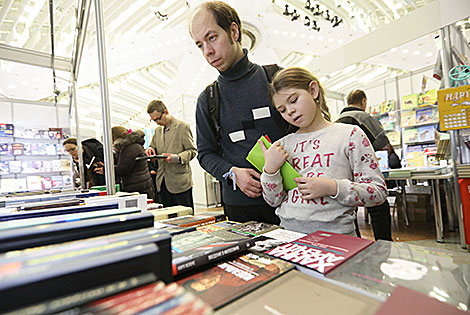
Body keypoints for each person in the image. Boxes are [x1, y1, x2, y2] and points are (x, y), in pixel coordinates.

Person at [190, 1, 289, 224]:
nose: (208, 51)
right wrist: (232, 172)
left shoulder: (275, 79)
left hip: (289, 200)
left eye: (212, 37)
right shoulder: (208, 100)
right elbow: (205, 154)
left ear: (234, 31)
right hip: (239, 207)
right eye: (200, 45)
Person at [259, 67, 388, 236]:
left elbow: (377, 192)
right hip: (289, 237)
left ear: (313, 90)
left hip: (337, 237)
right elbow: (273, 200)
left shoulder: (350, 135)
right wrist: (270, 170)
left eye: (294, 100)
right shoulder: (281, 146)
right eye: (282, 110)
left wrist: (333, 187)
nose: (289, 111)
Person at [336, 89, 396, 240]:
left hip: (343, 174)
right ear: (363, 101)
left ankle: (356, 243)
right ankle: (384, 246)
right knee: (379, 207)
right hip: (364, 173)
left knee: (350, 210)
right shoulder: (365, 117)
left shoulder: (336, 123)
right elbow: (384, 145)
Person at [145, 100, 196, 208]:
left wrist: (177, 158)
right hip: (162, 183)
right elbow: (153, 146)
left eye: (158, 118)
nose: (157, 122)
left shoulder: (182, 127)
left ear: (166, 111)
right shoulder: (158, 131)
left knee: (185, 219)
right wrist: (150, 149)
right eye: (154, 120)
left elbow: (192, 151)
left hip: (180, 183)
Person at [112, 126, 156, 201]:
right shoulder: (128, 147)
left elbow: (123, 169)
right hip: (139, 186)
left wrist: (107, 169)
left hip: (138, 188)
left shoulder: (131, 148)